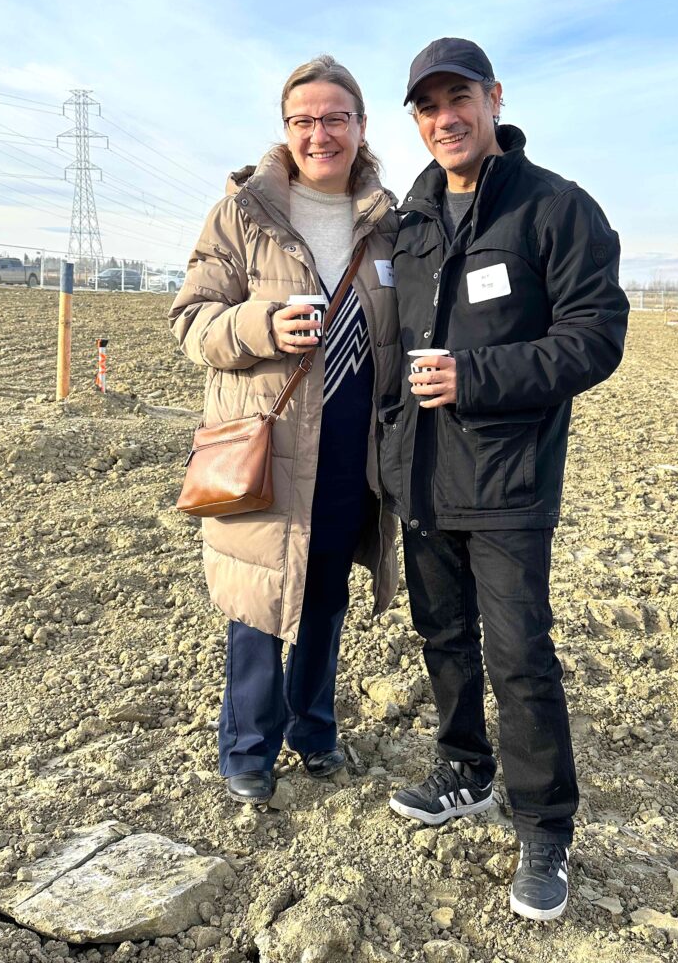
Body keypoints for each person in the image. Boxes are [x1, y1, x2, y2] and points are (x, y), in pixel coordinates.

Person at [379, 38, 629, 921]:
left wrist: (476, 378)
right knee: (442, 636)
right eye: (426, 107)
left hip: (508, 475)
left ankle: (544, 825)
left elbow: (594, 336)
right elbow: (386, 344)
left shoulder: (553, 209)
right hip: (420, 473)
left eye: (458, 99)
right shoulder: (407, 221)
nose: (443, 118)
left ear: (493, 100)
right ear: (414, 121)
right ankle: (464, 768)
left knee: (519, 655)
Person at [169, 55, 401, 806]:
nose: (319, 133)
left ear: (361, 127)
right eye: (303, 120)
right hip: (267, 442)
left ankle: (315, 731)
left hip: (349, 447)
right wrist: (261, 323)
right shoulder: (244, 213)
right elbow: (191, 322)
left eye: (335, 118)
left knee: (325, 595)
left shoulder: (388, 223)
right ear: (285, 129)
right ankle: (247, 747)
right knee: (259, 598)